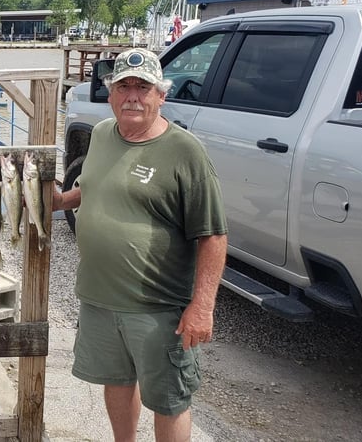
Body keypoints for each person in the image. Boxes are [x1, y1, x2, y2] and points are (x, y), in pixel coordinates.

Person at [51, 48, 228, 442]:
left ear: (161, 95)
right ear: (111, 94)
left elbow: (213, 234)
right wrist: (64, 201)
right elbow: (95, 185)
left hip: (157, 307)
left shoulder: (185, 151)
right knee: (115, 381)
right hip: (99, 298)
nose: (133, 96)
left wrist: (202, 306)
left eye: (143, 87)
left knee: (168, 400)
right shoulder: (101, 133)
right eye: (123, 86)